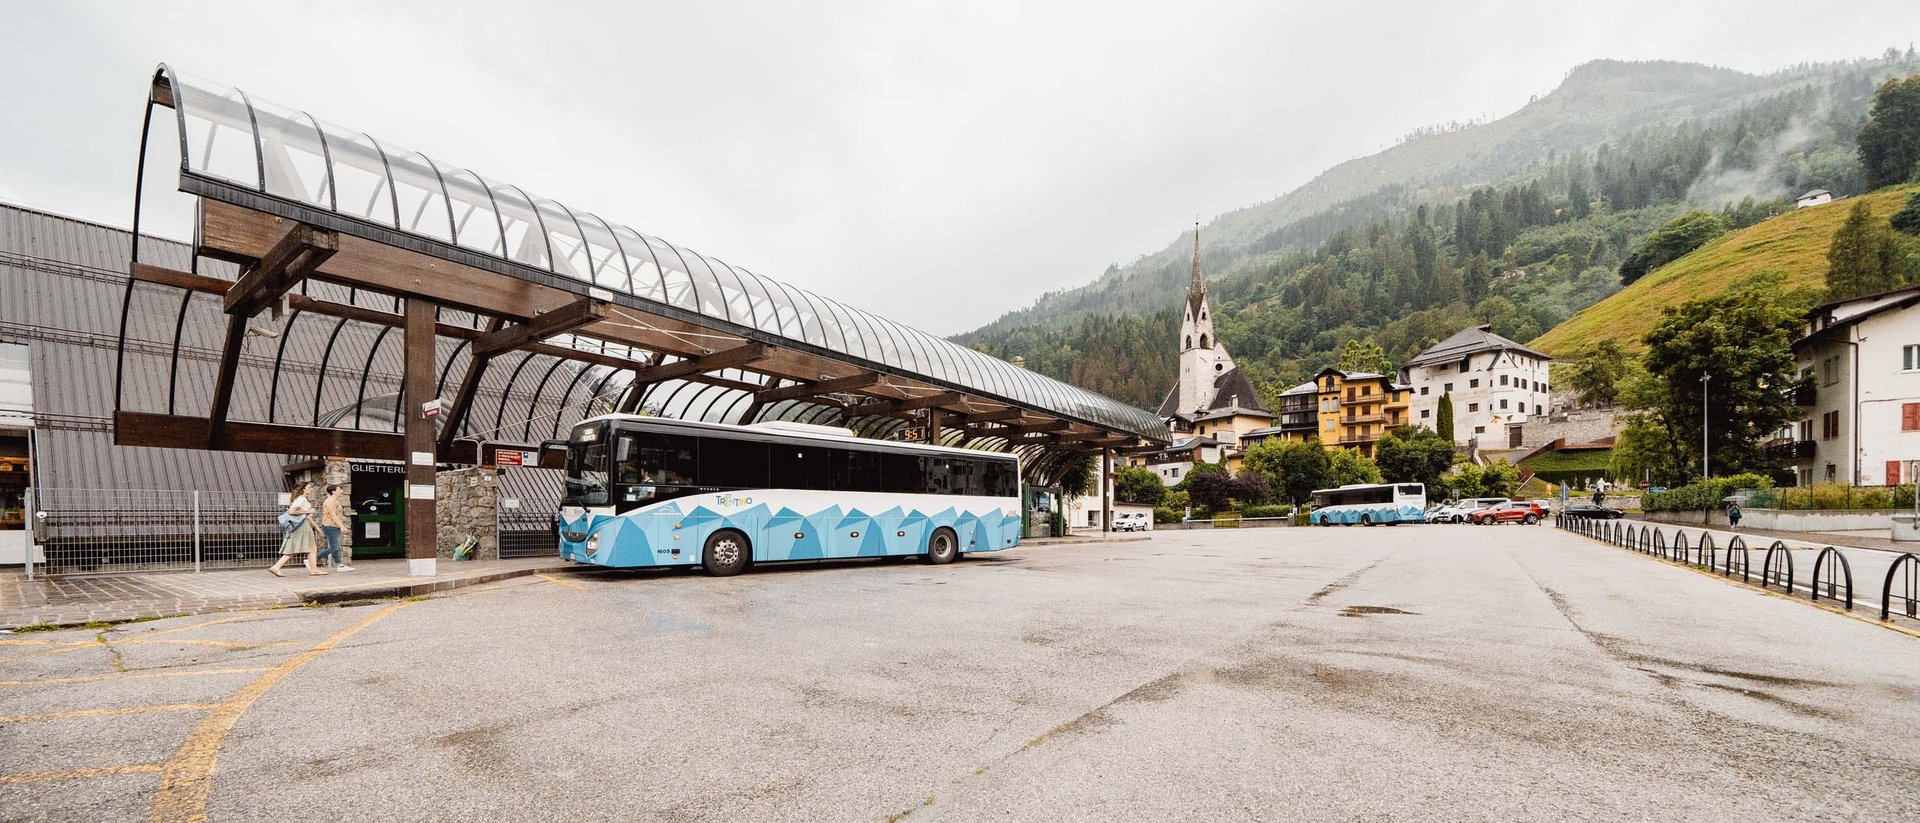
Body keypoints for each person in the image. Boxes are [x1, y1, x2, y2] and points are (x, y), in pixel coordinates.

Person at [268, 482, 324, 577]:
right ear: (304, 489)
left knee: (306, 548)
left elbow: (307, 517)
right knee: (310, 548)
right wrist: (308, 511)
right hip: (302, 526)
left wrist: (316, 527)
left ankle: (313, 570)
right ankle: (313, 570)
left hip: (303, 525)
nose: (311, 489)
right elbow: (292, 511)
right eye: (309, 487)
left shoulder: (303, 499)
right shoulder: (301, 499)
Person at [318, 484, 354, 572]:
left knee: (336, 546)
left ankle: (340, 565)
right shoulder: (331, 500)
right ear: (333, 491)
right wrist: (342, 526)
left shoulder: (334, 500)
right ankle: (312, 558)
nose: (341, 491)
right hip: (330, 526)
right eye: (339, 489)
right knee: (334, 547)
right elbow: (333, 514)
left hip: (333, 526)